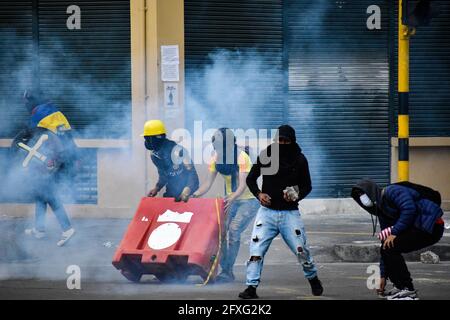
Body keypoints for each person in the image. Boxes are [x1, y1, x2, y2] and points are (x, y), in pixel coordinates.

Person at [238, 125, 323, 299]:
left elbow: (307, 186)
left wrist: (296, 194)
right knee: (256, 251)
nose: (282, 144)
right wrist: (259, 194)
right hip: (266, 213)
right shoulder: (266, 155)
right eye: (279, 140)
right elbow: (251, 178)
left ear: (292, 141)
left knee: (301, 250)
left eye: (286, 141)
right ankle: (251, 288)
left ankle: (313, 278)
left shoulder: (300, 160)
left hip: (289, 214)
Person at [351, 179, 445, 300]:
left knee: (392, 247)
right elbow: (385, 242)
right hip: (418, 227)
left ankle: (408, 289)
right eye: (358, 197)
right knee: (387, 247)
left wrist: (395, 233)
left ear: (371, 191)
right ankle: (400, 287)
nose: (362, 198)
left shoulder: (392, 191)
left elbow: (409, 209)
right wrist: (383, 275)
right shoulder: (382, 210)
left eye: (363, 194)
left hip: (431, 226)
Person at [192, 128, 259, 283]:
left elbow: (242, 185)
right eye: (216, 146)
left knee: (234, 231)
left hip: (248, 201)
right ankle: (225, 270)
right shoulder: (216, 158)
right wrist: (194, 195)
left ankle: (227, 271)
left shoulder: (242, 157)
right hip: (230, 200)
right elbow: (208, 184)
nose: (218, 149)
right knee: (219, 233)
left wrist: (232, 197)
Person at [13, 89, 77, 246]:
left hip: (55, 160)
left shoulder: (38, 115)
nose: (25, 105)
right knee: (41, 193)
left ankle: (67, 229)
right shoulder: (54, 111)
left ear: (32, 101)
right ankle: (39, 229)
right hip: (65, 156)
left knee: (48, 193)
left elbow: (33, 137)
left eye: (26, 101)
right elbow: (67, 136)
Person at [142, 120, 199, 201]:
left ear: (156, 138)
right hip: (171, 193)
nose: (146, 141)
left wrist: (187, 190)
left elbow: (193, 175)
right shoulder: (155, 155)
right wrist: (157, 188)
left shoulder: (178, 151)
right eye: (146, 138)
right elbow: (164, 175)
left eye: (148, 138)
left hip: (189, 194)